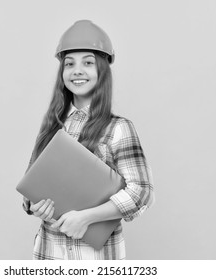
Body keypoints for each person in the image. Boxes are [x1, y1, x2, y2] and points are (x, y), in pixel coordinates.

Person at [22, 20, 154, 260]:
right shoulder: (51, 125)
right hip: (49, 254)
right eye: (69, 63)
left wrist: (86, 217)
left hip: (98, 258)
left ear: (102, 71)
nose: (77, 70)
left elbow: (141, 192)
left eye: (88, 63)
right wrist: (34, 205)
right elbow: (31, 186)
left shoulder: (119, 128)